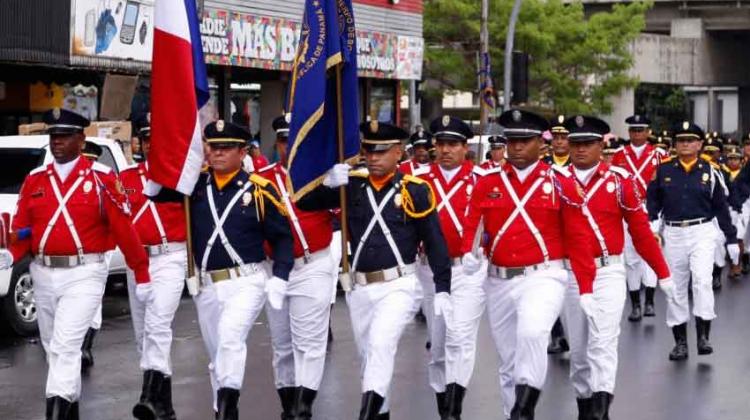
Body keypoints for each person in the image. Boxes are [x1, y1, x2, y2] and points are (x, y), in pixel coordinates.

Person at [0, 108, 151, 419]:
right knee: (53, 348)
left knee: (66, 346)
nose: (57, 142)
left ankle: (55, 411)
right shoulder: (35, 180)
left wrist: (142, 271)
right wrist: (11, 255)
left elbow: (124, 229)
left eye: (65, 136)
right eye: (54, 136)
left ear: (81, 140)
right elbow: (23, 231)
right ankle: (70, 409)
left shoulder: (102, 179)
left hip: (85, 273)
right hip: (42, 272)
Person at [298, 121, 451, 420]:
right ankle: (380, 412)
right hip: (359, 287)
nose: (373, 157)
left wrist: (443, 287)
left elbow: (434, 241)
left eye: (381, 151)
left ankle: (365, 414)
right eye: (368, 150)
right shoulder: (352, 184)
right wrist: (326, 183)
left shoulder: (415, 190)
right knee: (369, 358)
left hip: (399, 284)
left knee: (381, 346)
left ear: (398, 153)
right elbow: (304, 202)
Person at [153, 120, 294, 419]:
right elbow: (158, 193)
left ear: (243, 151)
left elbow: (282, 237)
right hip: (206, 284)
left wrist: (280, 277)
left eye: (225, 148)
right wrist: (161, 161)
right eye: (213, 147)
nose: (217, 153)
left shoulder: (259, 189)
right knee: (218, 355)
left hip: (246, 280)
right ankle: (224, 408)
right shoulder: (196, 185)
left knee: (230, 339)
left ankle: (226, 412)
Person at [461, 109, 596, 420]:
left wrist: (586, 288)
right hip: (498, 279)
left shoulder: (561, 182)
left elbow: (578, 237)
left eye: (525, 140)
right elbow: (473, 222)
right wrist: (470, 252)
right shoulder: (487, 181)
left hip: (545, 275)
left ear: (541, 143)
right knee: (508, 361)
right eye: (512, 140)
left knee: (533, 333)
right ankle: (516, 414)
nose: (517, 147)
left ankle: (524, 410)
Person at [562, 115, 671, 419]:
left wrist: (663, 272)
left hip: (608, 271)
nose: (581, 149)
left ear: (602, 145)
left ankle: (600, 412)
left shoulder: (620, 181)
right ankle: (585, 405)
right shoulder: (556, 180)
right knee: (580, 352)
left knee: (603, 343)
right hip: (570, 274)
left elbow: (639, 231)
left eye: (588, 143)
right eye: (575, 143)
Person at [257, 113, 336, 419]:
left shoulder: (321, 177)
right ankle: (288, 407)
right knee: (282, 344)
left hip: (312, 265)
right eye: (282, 140)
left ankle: (303, 409)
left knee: (309, 343)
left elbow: (348, 213)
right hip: (274, 269)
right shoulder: (262, 179)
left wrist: (340, 186)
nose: (288, 146)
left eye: (294, 139)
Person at [647, 120, 740, 361]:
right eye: (681, 141)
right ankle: (680, 343)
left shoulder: (711, 171)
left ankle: (703, 337)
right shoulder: (664, 170)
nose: (685, 144)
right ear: (675, 145)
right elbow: (653, 202)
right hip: (674, 233)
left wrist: (731, 238)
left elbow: (721, 207)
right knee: (675, 287)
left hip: (702, 231)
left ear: (699, 144)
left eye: (690, 140)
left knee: (701, 281)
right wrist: (652, 224)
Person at [415, 115, 486, 419]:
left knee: (460, 338)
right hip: (430, 270)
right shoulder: (418, 182)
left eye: (453, 144)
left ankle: (453, 410)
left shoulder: (482, 180)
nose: (445, 150)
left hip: (466, 270)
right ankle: (442, 402)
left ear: (465, 147)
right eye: (441, 143)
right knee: (440, 342)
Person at [120, 113, 188, 420]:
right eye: (146, 140)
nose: (150, 145)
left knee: (158, 324)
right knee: (143, 336)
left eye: (155, 139)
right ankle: (164, 405)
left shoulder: (181, 177)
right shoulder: (127, 179)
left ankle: (147, 395)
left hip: (171, 257)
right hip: (138, 262)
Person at [611, 114, 666, 322]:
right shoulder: (619, 155)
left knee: (651, 253)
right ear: (629, 132)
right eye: (633, 130)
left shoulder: (659, 155)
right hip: (626, 211)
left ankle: (650, 301)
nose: (637, 134)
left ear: (648, 132)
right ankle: (635, 304)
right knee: (631, 258)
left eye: (641, 130)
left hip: (650, 209)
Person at [79, 140, 105, 373]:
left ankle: (86, 346)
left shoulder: (102, 180)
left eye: (91, 160)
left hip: (95, 254)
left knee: (93, 301)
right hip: (69, 253)